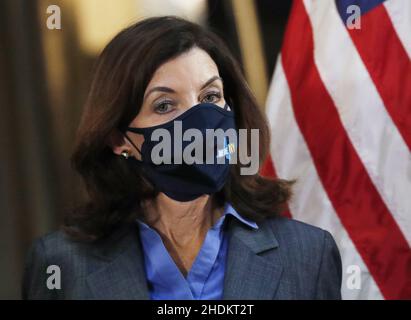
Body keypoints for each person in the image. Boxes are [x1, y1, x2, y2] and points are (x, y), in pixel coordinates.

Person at [22, 16, 342, 300]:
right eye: (164, 105)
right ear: (119, 139)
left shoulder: (308, 256)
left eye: (210, 97)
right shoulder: (61, 265)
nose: (199, 121)